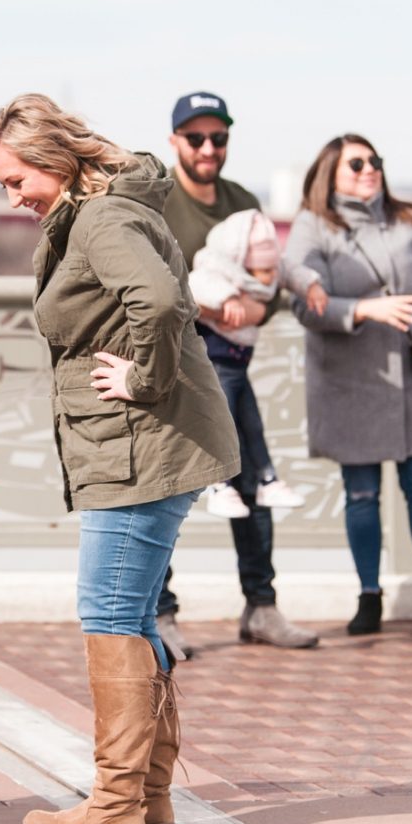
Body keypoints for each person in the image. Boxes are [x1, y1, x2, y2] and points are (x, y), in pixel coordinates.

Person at [0, 93, 238, 824]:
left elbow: (160, 301)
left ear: (55, 161)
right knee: (127, 617)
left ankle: (117, 803)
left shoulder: (100, 218)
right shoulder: (95, 213)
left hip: (139, 446)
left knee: (108, 614)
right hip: (133, 446)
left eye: (16, 178)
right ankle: (147, 800)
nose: (13, 196)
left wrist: (144, 380)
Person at [282, 133, 412, 638]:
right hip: (350, 380)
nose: (370, 170)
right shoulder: (312, 226)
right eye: (357, 163)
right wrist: (365, 309)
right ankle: (369, 596)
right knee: (361, 495)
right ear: (331, 174)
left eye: (375, 162)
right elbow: (303, 301)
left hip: (410, 379)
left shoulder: (409, 223)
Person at [156, 92, 317, 658]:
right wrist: (203, 309)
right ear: (174, 140)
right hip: (171, 365)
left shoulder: (242, 201)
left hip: (230, 365)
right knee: (166, 488)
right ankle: (161, 613)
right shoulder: (157, 199)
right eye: (195, 138)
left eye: (217, 138)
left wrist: (253, 310)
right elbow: (144, 283)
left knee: (249, 479)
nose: (208, 148)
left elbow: (266, 281)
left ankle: (262, 606)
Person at [188, 208, 327, 527]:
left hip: (238, 367)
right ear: (240, 260)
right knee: (224, 424)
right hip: (217, 364)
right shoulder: (215, 267)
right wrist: (227, 300)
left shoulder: (270, 266)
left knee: (251, 426)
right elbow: (194, 284)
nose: (267, 279)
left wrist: (312, 286)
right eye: (259, 270)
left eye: (269, 271)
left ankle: (268, 480)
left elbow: (289, 270)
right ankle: (219, 484)